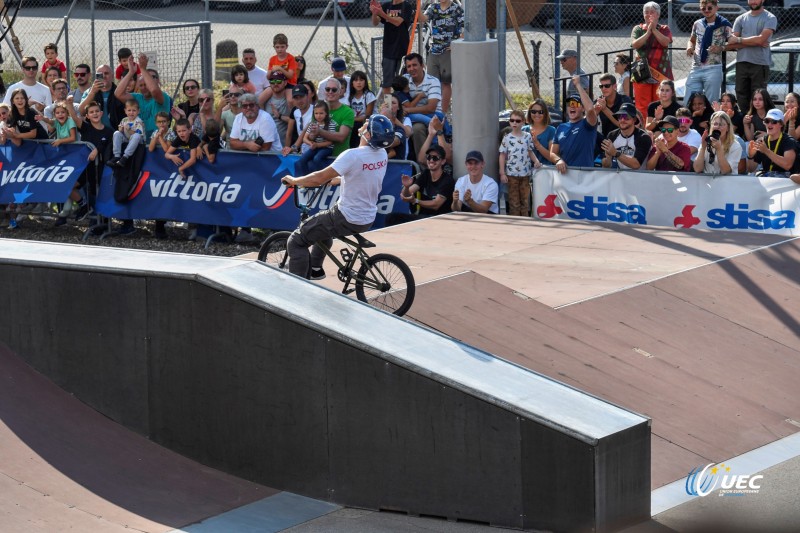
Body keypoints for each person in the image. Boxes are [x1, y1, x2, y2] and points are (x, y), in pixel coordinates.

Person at [280, 115, 395, 280]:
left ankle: (296, 287)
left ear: (368, 135)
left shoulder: (352, 155)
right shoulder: (382, 154)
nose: (363, 125)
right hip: (368, 217)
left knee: (296, 240)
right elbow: (364, 175)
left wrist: (295, 181)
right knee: (323, 226)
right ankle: (316, 269)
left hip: (347, 217)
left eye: (367, 124)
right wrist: (341, 179)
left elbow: (319, 177)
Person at [64, 97, 113, 223]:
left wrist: (97, 150)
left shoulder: (109, 131)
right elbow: (75, 117)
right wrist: (69, 104)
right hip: (84, 167)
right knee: (68, 185)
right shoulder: (86, 127)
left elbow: (106, 147)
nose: (95, 114)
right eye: (91, 112)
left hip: (100, 170)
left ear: (101, 113)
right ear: (87, 116)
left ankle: (103, 224)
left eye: (97, 111)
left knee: (99, 196)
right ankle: (84, 206)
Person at [386, 144, 454, 226]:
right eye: (429, 157)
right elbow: (406, 195)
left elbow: (436, 204)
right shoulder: (426, 173)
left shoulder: (447, 180)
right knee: (391, 218)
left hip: (440, 219)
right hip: (423, 217)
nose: (431, 160)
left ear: (443, 161)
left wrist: (416, 201)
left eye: (435, 158)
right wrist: (407, 187)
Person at [728, 0, 777, 113]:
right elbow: (732, 42)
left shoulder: (770, 17)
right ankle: (746, 121)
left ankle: (758, 122)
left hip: (760, 64)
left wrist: (740, 40)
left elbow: (761, 39)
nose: (753, 1)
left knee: (758, 96)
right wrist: (755, 41)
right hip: (742, 62)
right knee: (741, 93)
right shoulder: (740, 18)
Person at [631, 2, 673, 121]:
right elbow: (635, 44)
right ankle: (643, 130)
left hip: (661, 70)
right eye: (646, 12)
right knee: (641, 104)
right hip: (641, 70)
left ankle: (658, 129)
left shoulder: (664, 29)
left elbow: (665, 42)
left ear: (658, 15)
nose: (649, 15)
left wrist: (654, 29)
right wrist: (648, 32)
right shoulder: (638, 29)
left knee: (660, 101)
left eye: (652, 12)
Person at [419, 0, 463, 114]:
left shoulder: (456, 9)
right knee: (432, 82)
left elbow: (463, 27)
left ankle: (442, 112)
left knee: (445, 82)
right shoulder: (433, 7)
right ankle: (433, 110)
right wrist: (418, 9)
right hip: (434, 49)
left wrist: (456, 43)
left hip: (447, 50)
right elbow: (424, 18)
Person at [685, 0, 732, 104]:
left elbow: (734, 43)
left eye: (710, 8)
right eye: (703, 8)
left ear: (716, 8)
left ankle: (710, 121)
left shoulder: (724, 24)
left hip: (713, 68)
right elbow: (692, 40)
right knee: (688, 102)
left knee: (711, 104)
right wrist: (689, 47)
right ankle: (686, 120)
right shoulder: (697, 24)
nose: (706, 10)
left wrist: (721, 48)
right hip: (696, 67)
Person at [114, 53, 171, 138]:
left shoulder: (163, 96)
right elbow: (118, 94)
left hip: (158, 143)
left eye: (150, 79)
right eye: (141, 85)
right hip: (139, 142)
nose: (145, 86)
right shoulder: (137, 97)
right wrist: (131, 72)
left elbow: (154, 90)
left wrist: (143, 69)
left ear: (158, 80)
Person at [549, 77, 598, 172]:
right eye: (570, 103)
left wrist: (578, 85)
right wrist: (558, 160)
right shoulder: (561, 127)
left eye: (576, 104)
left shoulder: (587, 124)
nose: (572, 106)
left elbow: (591, 109)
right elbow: (553, 153)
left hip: (585, 175)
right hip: (566, 176)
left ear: (583, 109)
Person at [499, 109, 541, 217]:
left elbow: (530, 151)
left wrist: (536, 161)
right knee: (514, 201)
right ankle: (515, 222)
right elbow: (502, 155)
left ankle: (525, 221)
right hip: (511, 175)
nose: (514, 123)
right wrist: (502, 173)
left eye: (517, 121)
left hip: (525, 174)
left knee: (525, 201)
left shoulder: (527, 136)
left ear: (523, 122)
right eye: (512, 120)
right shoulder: (507, 138)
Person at [371, 0, 415, 96]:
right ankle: (389, 106)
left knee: (402, 83)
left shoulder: (406, 6)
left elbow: (398, 22)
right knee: (387, 84)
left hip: (402, 50)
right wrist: (375, 13)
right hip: (388, 50)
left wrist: (382, 14)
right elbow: (375, 22)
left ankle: (402, 107)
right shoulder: (386, 5)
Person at [403, 53, 442, 157]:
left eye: (414, 65)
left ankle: (424, 165)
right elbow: (394, 98)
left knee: (417, 129)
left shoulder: (433, 81)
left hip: (433, 116)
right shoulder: (404, 80)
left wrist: (408, 110)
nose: (412, 69)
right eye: (409, 66)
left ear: (422, 65)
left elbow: (431, 108)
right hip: (411, 117)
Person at [600, 102, 653, 170]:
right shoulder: (612, 135)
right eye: (620, 116)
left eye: (626, 117)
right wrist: (607, 158)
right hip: (622, 177)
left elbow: (636, 164)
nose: (622, 120)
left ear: (634, 119)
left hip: (640, 178)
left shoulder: (643, 137)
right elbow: (607, 166)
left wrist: (616, 153)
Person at [747, 108, 797, 177]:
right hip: (768, 179)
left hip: (786, 180)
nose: (769, 124)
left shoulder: (789, 141)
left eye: (773, 122)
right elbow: (751, 169)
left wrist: (766, 151)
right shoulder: (762, 141)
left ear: (781, 124)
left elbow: (787, 165)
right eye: (767, 121)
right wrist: (750, 156)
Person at [314, 78, 354, 157]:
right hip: (318, 156)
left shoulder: (348, 112)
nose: (330, 92)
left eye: (334, 90)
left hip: (339, 159)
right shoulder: (318, 109)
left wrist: (319, 131)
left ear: (340, 92)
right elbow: (309, 131)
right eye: (327, 89)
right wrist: (294, 147)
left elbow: (341, 137)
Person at [295, 101, 337, 175]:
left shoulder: (331, 124)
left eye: (321, 113)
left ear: (326, 113)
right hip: (314, 147)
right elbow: (304, 138)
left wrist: (317, 145)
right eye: (316, 113)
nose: (318, 116)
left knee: (317, 158)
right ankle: (306, 178)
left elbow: (331, 142)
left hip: (327, 148)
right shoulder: (312, 123)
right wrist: (310, 143)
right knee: (302, 160)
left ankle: (324, 177)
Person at [79, 64, 124, 130]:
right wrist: (92, 92)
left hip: (116, 132)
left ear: (112, 76)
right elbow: (82, 112)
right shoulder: (89, 92)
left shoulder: (119, 92)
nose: (103, 76)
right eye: (100, 74)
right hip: (95, 133)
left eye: (106, 73)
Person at [109, 99, 145, 168]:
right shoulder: (124, 120)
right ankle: (116, 156)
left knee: (136, 136)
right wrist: (121, 130)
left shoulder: (139, 121)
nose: (131, 113)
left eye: (134, 110)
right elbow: (121, 132)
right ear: (125, 111)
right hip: (127, 139)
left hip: (138, 141)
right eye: (129, 110)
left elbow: (138, 135)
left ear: (138, 111)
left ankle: (125, 157)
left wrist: (129, 130)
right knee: (116, 133)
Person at [259, 71, 291, 142]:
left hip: (283, 143)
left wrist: (280, 116)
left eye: (279, 81)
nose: (275, 84)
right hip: (267, 142)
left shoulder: (289, 99)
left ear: (285, 83)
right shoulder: (265, 99)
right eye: (272, 81)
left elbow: (294, 120)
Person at [282, 84, 314, 154]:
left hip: (313, 150)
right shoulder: (295, 111)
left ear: (307, 96)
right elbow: (289, 133)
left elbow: (305, 133)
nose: (299, 101)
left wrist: (293, 148)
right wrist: (287, 149)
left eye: (301, 97)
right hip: (301, 150)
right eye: (296, 98)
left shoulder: (315, 111)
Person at [348, 71, 377, 148]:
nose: (359, 83)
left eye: (361, 80)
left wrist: (352, 119)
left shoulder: (369, 95)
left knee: (358, 127)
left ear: (365, 82)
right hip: (354, 122)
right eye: (356, 80)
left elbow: (367, 116)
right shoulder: (350, 97)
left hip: (368, 123)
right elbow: (347, 113)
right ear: (352, 83)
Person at [524, 99, 556, 166]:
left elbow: (552, 158)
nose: (537, 114)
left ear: (545, 113)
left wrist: (537, 144)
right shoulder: (523, 130)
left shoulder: (551, 131)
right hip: (525, 171)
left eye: (540, 112)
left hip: (545, 170)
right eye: (533, 111)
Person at [382, 93, 412, 160]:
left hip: (400, 159)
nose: (390, 105)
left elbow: (408, 133)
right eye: (388, 103)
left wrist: (393, 118)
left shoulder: (405, 120)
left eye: (393, 103)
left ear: (398, 107)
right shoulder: (379, 120)